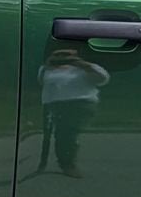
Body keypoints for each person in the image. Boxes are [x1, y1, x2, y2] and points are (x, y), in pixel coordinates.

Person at [36, 46, 108, 176]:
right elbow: (42, 83)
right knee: (56, 134)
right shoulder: (46, 69)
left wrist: (83, 65)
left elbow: (102, 79)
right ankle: (50, 161)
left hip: (80, 103)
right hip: (54, 104)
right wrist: (48, 66)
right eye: (57, 54)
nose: (62, 58)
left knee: (67, 134)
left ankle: (68, 164)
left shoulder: (86, 68)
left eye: (66, 55)